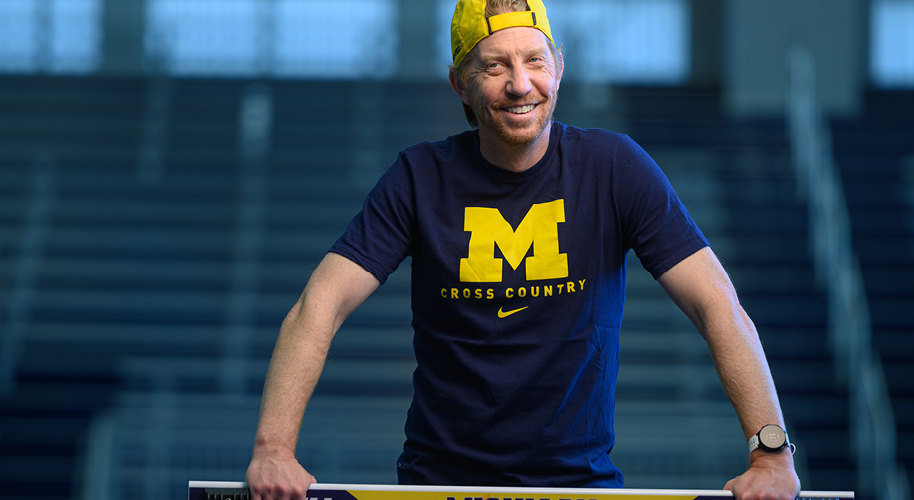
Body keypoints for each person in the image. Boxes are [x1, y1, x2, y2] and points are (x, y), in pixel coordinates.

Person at [245, 0, 801, 499]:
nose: (519, 84)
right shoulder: (419, 178)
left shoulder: (614, 168)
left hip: (579, 487)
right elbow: (320, 305)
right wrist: (273, 449)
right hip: (438, 486)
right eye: (494, 66)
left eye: (534, 60)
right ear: (459, 84)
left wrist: (770, 454)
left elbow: (717, 305)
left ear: (558, 69)